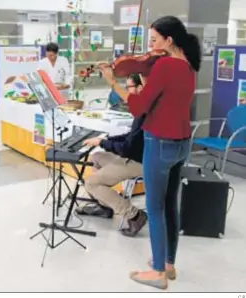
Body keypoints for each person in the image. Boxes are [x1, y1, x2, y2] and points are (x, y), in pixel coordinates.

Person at [98, 15, 201, 289]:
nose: (151, 46)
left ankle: (158, 273)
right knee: (170, 205)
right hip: (182, 143)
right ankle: (168, 263)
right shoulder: (188, 66)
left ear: (169, 40)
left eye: (154, 39)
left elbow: (138, 107)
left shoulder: (165, 65)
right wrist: (145, 75)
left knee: (154, 209)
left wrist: (112, 82)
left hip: (160, 142)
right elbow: (163, 100)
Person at [79, 74, 146, 237]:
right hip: (130, 156)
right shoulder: (141, 110)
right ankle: (105, 207)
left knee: (91, 184)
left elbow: (127, 148)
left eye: (128, 87)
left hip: (137, 162)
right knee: (96, 158)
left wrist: (102, 143)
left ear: (140, 88)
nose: (126, 92)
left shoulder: (145, 111)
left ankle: (134, 215)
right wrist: (106, 139)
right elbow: (130, 136)